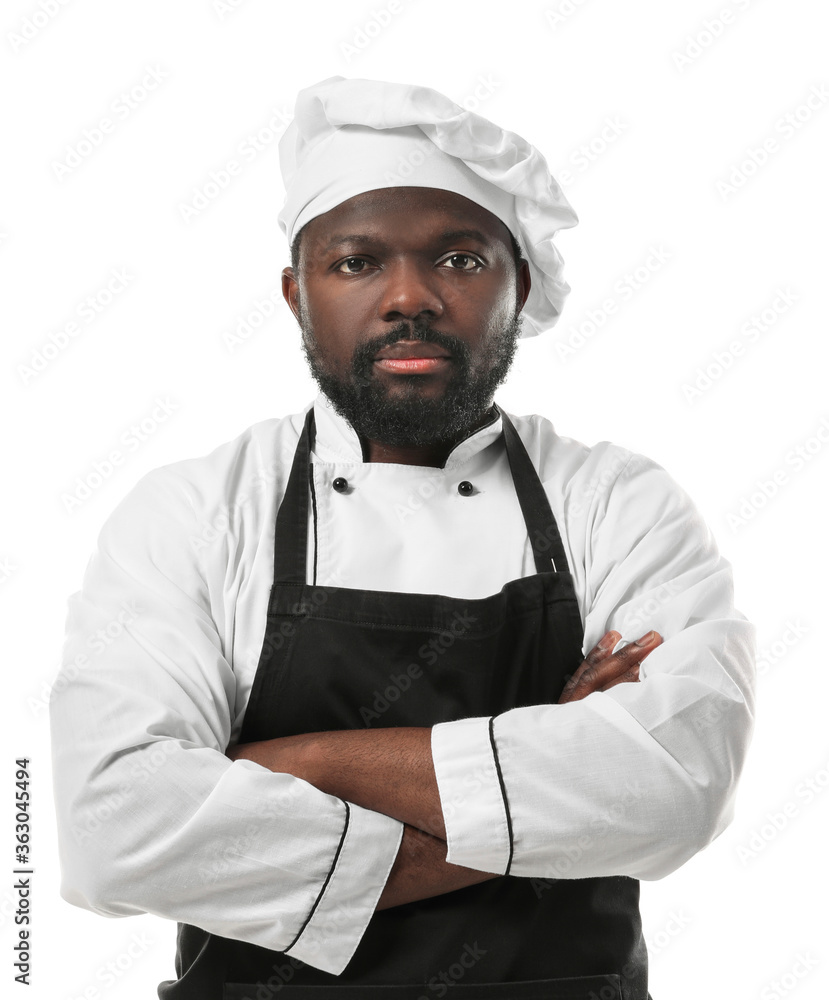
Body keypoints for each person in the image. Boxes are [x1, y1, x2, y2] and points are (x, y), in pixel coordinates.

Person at [49, 76, 756, 1000]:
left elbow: (677, 786)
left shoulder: (617, 501)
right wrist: (557, 778)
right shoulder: (196, 510)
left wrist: (286, 766)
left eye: (460, 260)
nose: (408, 298)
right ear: (296, 294)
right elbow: (112, 831)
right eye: (356, 262)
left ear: (520, 287)